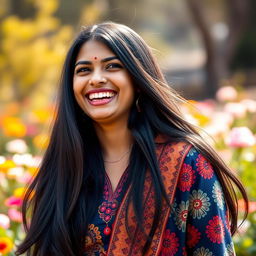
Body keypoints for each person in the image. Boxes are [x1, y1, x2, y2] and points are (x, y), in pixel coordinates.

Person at [16, 22, 248, 256]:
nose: (96, 79)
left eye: (112, 66)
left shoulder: (186, 164)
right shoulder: (64, 169)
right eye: (84, 70)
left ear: (138, 79)